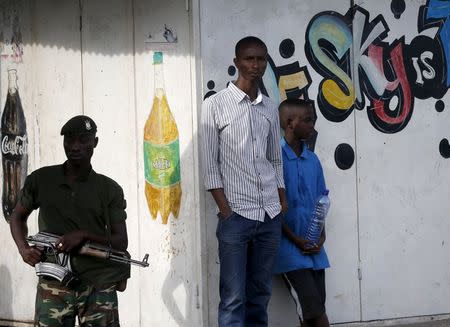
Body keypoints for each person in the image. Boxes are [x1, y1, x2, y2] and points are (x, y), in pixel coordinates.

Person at [201, 36, 287, 327]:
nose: (255, 64)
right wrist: (226, 211)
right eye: (249, 59)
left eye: (261, 59)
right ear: (236, 62)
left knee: (260, 294)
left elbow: (275, 159)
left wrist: (281, 199)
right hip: (236, 216)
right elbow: (210, 165)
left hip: (269, 216)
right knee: (233, 297)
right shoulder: (215, 106)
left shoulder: (269, 108)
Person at [9, 115, 128, 327]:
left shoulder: (109, 189)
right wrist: (23, 249)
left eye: (83, 140)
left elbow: (120, 242)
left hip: (98, 284)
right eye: (70, 140)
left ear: (95, 143)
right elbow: (17, 217)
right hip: (53, 285)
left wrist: (84, 235)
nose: (75, 146)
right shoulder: (41, 179)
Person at [274, 98, 330, 327]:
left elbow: (321, 201)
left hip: (314, 250)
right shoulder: (275, 158)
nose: (312, 126)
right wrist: (296, 239)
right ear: (289, 123)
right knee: (316, 313)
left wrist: (321, 237)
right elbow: (272, 207)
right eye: (307, 120)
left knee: (311, 313)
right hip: (288, 249)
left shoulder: (313, 160)